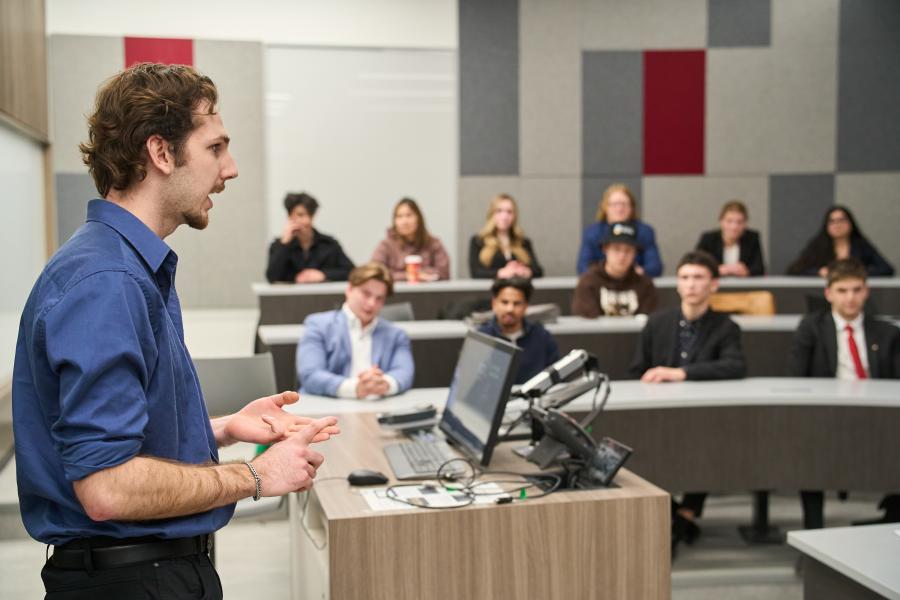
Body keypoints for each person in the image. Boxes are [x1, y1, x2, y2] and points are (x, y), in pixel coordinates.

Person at [12, 63, 339, 599]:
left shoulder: (123, 266)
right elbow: (107, 486)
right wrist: (256, 476)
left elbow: (121, 437)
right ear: (161, 153)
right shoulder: (109, 281)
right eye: (215, 148)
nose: (230, 169)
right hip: (135, 581)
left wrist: (224, 428)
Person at [630, 250, 747, 549]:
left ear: (714, 284)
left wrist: (680, 373)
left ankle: (685, 514)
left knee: (707, 444)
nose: (691, 284)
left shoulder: (726, 327)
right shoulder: (657, 323)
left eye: (698, 277)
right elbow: (637, 369)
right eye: (684, 277)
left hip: (703, 419)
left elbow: (735, 365)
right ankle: (674, 514)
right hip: (657, 413)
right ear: (677, 284)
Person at [788, 258, 900, 528]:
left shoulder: (887, 333)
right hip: (825, 417)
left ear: (866, 291)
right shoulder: (811, 328)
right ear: (828, 293)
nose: (850, 298)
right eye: (842, 290)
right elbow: (795, 377)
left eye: (856, 290)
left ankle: (894, 515)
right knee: (809, 451)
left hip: (878, 417)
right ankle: (813, 529)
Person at [298, 262, 414, 398]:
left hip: (379, 406)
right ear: (349, 290)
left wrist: (384, 384)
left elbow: (404, 373)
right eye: (366, 294)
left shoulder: (396, 334)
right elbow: (310, 375)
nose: (371, 303)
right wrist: (355, 388)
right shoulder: (318, 325)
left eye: (379, 298)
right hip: (329, 406)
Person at [478, 278, 560, 384]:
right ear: (494, 303)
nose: (510, 309)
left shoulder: (543, 337)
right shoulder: (481, 338)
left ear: (526, 306)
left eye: (517, 303)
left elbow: (556, 379)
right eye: (504, 302)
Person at [571, 222, 658, 317]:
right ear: (605, 249)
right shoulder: (588, 282)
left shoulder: (645, 284)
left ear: (635, 253)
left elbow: (649, 322)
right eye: (617, 249)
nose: (622, 256)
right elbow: (586, 321)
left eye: (628, 250)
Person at [265, 191, 354, 283]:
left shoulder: (329, 245)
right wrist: (284, 244)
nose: (306, 220)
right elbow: (272, 277)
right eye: (300, 215)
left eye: (310, 215)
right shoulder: (278, 246)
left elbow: (351, 272)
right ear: (290, 217)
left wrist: (323, 274)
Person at [577, 184, 662, 277]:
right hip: (600, 282)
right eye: (614, 204)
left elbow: (655, 267)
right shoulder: (592, 233)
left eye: (624, 204)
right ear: (605, 207)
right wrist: (607, 274)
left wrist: (634, 274)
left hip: (635, 281)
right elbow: (583, 267)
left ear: (632, 207)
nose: (619, 209)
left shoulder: (644, 232)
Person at [787, 205, 894, 277]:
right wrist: (819, 272)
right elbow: (794, 270)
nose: (837, 225)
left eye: (842, 220)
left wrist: (858, 272)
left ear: (850, 223)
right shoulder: (818, 245)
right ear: (826, 226)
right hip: (822, 295)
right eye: (832, 221)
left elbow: (887, 269)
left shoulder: (861, 245)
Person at [370, 198, 450, 281]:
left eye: (409, 215)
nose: (404, 221)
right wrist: (410, 276)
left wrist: (421, 274)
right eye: (399, 216)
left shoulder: (434, 244)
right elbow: (375, 272)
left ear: (419, 218)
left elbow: (443, 273)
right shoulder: (386, 245)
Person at [469, 194, 544, 279]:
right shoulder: (478, 241)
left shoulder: (523, 242)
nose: (504, 217)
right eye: (499, 211)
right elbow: (476, 272)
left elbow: (538, 271)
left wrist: (525, 271)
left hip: (519, 287)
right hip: (492, 287)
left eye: (509, 212)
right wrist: (501, 272)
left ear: (514, 216)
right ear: (492, 214)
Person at [695, 200, 765, 276]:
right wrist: (717, 270)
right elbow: (696, 265)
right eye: (729, 221)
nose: (734, 227)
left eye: (739, 222)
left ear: (745, 223)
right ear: (721, 221)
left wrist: (746, 271)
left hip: (743, 283)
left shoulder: (752, 238)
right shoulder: (708, 239)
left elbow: (760, 269)